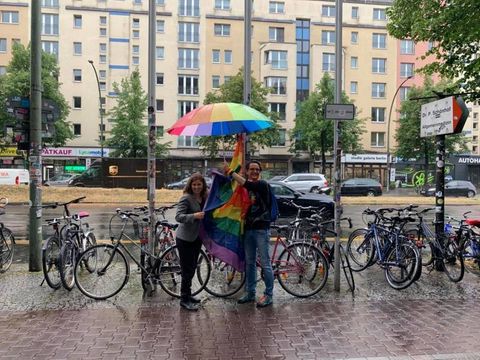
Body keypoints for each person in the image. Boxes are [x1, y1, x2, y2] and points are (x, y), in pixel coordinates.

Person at [224, 160, 274, 308]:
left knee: (265, 263)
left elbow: (247, 184)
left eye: (257, 169)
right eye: (251, 169)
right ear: (247, 171)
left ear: (260, 172)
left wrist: (230, 172)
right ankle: (250, 293)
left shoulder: (262, 184)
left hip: (261, 229)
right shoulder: (244, 188)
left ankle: (269, 295)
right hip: (248, 229)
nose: (254, 172)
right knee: (250, 263)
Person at [175, 172, 207, 311]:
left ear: (203, 185)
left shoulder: (204, 197)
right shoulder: (186, 198)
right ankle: (184, 299)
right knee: (187, 269)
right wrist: (194, 216)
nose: (196, 187)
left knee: (193, 267)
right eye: (194, 184)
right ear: (190, 185)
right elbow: (179, 217)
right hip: (185, 238)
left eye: (199, 184)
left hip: (197, 238)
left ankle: (188, 294)